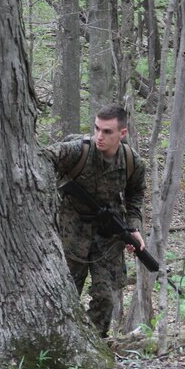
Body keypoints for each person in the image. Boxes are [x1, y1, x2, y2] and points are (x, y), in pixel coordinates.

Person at [43, 105, 147, 337]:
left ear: (122, 133)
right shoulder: (78, 150)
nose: (99, 136)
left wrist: (134, 227)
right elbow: (44, 158)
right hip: (71, 235)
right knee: (64, 297)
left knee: (105, 299)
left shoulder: (132, 162)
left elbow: (135, 196)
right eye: (97, 129)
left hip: (108, 237)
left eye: (107, 131)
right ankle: (61, 343)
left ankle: (93, 344)